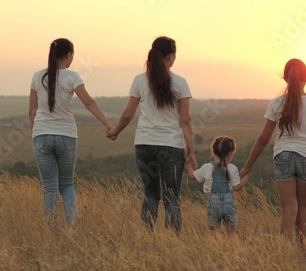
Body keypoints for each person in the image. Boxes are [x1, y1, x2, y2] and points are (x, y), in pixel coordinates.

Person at [107, 36, 196, 233]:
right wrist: (191, 151)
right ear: (170, 57)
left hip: (144, 145)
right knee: (172, 197)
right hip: (172, 147)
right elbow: (185, 121)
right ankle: (173, 243)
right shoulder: (181, 83)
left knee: (151, 194)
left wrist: (115, 131)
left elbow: (128, 114)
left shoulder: (139, 80)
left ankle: (148, 238)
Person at [240, 58, 306, 243]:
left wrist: (248, 166)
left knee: (289, 208)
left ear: (285, 78)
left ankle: (285, 256)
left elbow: (263, 139)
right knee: (302, 208)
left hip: (283, 157)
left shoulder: (276, 103)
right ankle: (303, 256)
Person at [29, 38, 113, 228]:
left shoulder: (37, 76)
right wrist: (107, 124)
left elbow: (31, 111)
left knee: (49, 188)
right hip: (66, 136)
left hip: (41, 136)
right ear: (69, 55)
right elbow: (89, 102)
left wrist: (34, 133)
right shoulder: (72, 77)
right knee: (66, 185)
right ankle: (72, 229)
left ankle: (50, 231)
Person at [185, 136, 249, 234]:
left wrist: (189, 167)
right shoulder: (232, 168)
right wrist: (246, 176)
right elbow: (237, 187)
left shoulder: (207, 167)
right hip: (229, 205)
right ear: (230, 154)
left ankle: (215, 246)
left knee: (213, 233)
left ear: (214, 152)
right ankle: (232, 247)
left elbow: (192, 176)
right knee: (231, 232)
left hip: (214, 205)